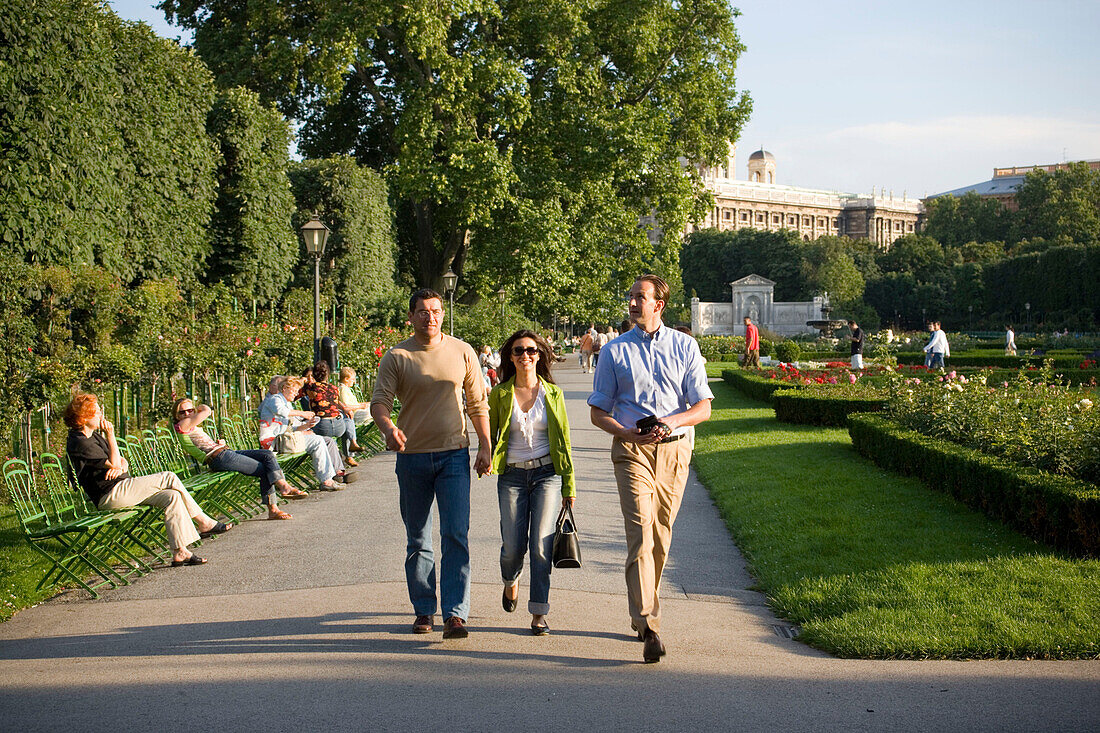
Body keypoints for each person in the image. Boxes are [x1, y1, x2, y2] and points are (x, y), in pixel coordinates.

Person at [588, 274, 713, 664]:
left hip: (674, 451)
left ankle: (640, 613)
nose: (633, 303)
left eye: (640, 297)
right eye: (630, 297)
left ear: (659, 304)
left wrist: (673, 422)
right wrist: (626, 432)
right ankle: (650, 624)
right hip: (632, 451)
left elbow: (703, 407)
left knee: (660, 535)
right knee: (641, 531)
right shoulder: (614, 352)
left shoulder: (685, 346)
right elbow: (597, 411)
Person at [370, 288, 491, 640]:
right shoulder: (397, 356)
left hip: (454, 454)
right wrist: (388, 427)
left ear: (443, 314)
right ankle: (425, 609)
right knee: (418, 537)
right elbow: (380, 401)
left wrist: (485, 445)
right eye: (422, 311)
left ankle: (455, 614)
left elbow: (477, 402)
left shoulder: (462, 351)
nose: (431, 317)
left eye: (436, 311)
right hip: (412, 459)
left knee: (456, 534)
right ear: (411, 317)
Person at [64, 392, 230, 567]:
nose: (101, 415)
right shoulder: (79, 442)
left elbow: (121, 462)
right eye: (96, 412)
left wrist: (118, 465)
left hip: (122, 487)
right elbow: (114, 462)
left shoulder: (93, 436)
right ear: (83, 417)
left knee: (171, 496)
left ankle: (180, 551)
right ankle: (204, 522)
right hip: (110, 495)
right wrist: (111, 437)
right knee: (169, 476)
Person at [488, 330, 576, 636]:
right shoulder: (500, 394)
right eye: (518, 351)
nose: (525, 356)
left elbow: (563, 441)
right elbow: (490, 435)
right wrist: (482, 455)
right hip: (511, 475)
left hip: (547, 474)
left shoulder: (553, 394)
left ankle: (539, 612)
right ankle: (511, 580)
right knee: (513, 546)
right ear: (510, 358)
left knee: (541, 544)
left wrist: (569, 486)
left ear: (540, 355)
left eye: (531, 350)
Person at [173, 398, 306, 521]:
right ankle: (277, 501)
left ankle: (283, 489)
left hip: (224, 453)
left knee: (267, 455)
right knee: (266, 468)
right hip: (219, 458)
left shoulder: (190, 426)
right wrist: (200, 408)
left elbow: (201, 446)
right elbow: (207, 411)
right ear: (177, 416)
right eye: (182, 412)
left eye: (190, 410)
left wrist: (218, 444)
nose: (187, 414)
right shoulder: (182, 424)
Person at [259, 376, 344, 491]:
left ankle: (331, 476)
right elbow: (282, 412)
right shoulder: (275, 399)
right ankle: (327, 480)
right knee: (318, 441)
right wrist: (303, 414)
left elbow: (291, 427)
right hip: (273, 443)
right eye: (294, 390)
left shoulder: (286, 403)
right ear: (284, 388)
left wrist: (306, 426)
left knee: (319, 439)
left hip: (285, 439)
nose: (296, 394)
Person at [304, 360, 364, 466]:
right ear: (327, 375)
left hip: (322, 426)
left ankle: (338, 462)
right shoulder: (333, 388)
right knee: (347, 420)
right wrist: (345, 409)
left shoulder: (310, 387)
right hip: (338, 426)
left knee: (327, 438)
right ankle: (351, 448)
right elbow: (334, 402)